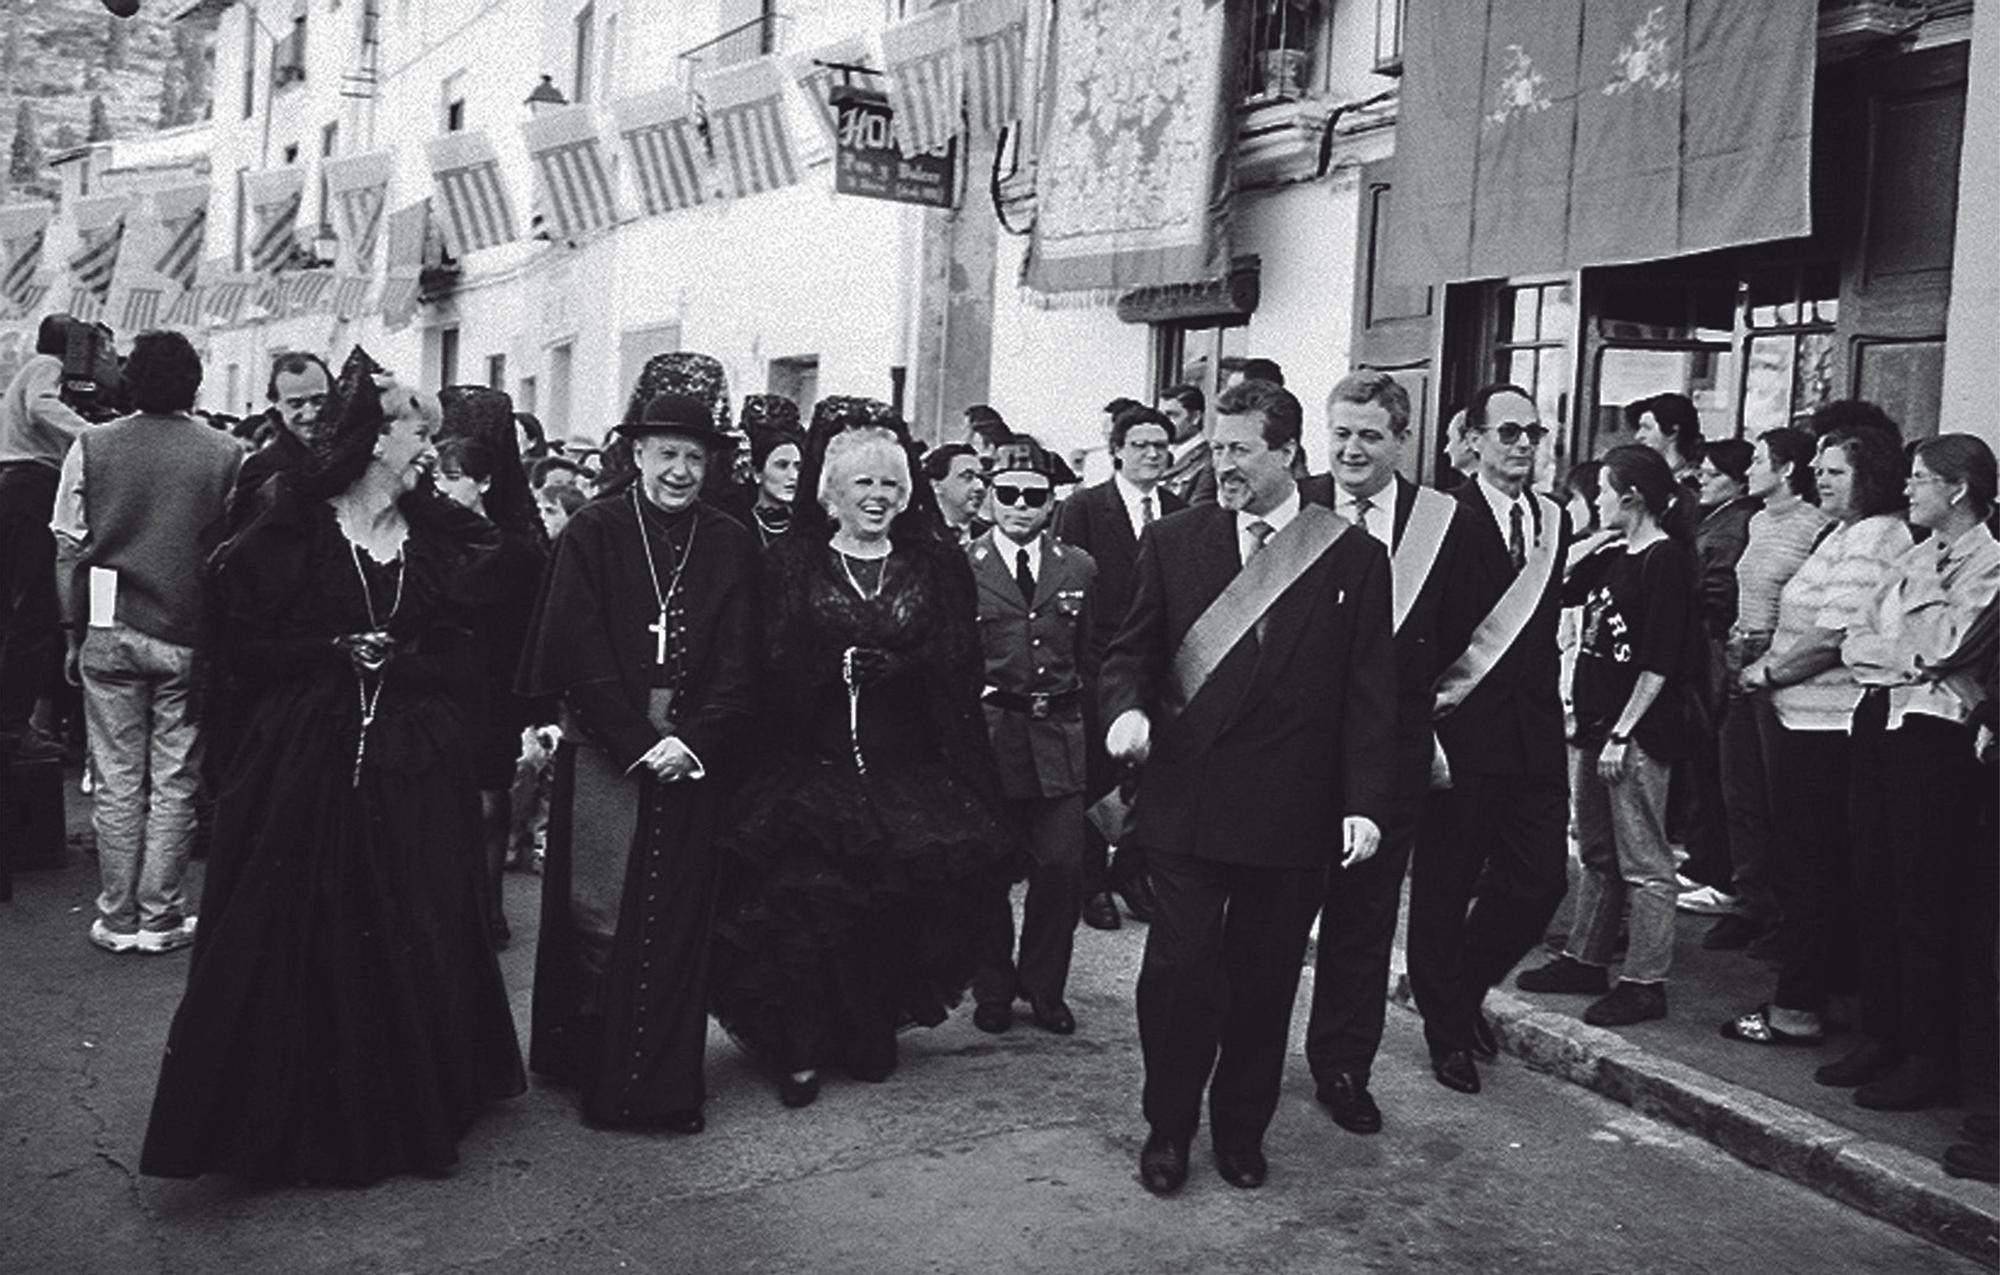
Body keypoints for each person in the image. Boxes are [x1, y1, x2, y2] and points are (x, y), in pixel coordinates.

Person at [140, 350, 523, 1184]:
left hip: (410, 751)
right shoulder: (297, 522)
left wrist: (405, 661)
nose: (430, 449)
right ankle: (296, 1112)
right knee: (301, 915)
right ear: (375, 438)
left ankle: (406, 1099)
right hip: (306, 747)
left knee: (415, 913)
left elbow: (467, 637)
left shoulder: (435, 531)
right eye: (419, 433)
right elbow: (244, 646)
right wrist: (333, 650)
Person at [1101, 378, 1395, 1195]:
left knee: (1264, 983)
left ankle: (1240, 1129)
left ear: (1289, 455)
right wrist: (1123, 711)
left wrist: (1365, 800)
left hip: (1292, 812)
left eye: (1239, 450)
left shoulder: (1353, 556)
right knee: (1180, 970)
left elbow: (1371, 692)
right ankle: (1168, 1126)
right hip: (1189, 801)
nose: (1220, 464)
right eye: (1218, 447)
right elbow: (1132, 652)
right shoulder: (1175, 540)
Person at [710, 403, 1013, 1110]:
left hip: (904, 770)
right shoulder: (793, 561)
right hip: (809, 768)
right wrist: (824, 665)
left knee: (887, 908)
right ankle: (800, 1048)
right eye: (862, 485)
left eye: (889, 484)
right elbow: (768, 659)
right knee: (806, 910)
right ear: (832, 493)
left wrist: (904, 667)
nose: (877, 496)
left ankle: (870, 1027)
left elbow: (958, 661)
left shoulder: (931, 563)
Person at [515, 392, 757, 1132]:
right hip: (608, 744)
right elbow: (576, 649)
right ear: (639, 454)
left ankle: (658, 1089)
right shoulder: (595, 529)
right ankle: (592, 1061)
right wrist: (635, 741)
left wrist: (696, 740)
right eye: (667, 454)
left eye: (694, 456)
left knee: (673, 917)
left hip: (692, 748)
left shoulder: (729, 538)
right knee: (604, 913)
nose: (681, 471)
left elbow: (740, 655)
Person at [1299, 370, 1473, 1135]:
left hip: (1391, 755)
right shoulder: (1295, 505)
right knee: (1272, 916)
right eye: (1340, 431)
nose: (1351, 449)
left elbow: (1472, 632)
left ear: (1401, 440)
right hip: (1291, 752)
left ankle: (1342, 1065)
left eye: (1370, 434)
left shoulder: (1445, 520)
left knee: (1363, 924)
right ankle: (1243, 1057)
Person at [1722, 420, 1911, 1051]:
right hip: (1802, 720)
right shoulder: (1843, 532)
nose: (1819, 479)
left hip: (1827, 726)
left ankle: (1797, 1009)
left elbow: (1834, 636)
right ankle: (1821, 995)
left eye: (1835, 471)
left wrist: (1764, 671)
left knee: (1812, 870)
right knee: (1811, 865)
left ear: (1869, 478)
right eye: (1820, 469)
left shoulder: (1876, 537)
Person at [50, 331, 240, 954]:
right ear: (194, 383)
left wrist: (73, 633)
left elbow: (69, 545)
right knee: (176, 778)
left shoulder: (93, 445)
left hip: (109, 623)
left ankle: (116, 914)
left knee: (117, 778)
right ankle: (160, 915)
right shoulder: (225, 452)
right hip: (187, 631)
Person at [1406, 382, 1572, 1097]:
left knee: (1540, 882)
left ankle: (1461, 988)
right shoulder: (1440, 515)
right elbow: (1415, 630)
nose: (1523, 446)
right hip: (1459, 734)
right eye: (1508, 432)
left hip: (1532, 736)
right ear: (1472, 439)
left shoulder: (1554, 518)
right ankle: (1445, 1030)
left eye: (1532, 432)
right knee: (1443, 887)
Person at [1832, 434, 1999, 1110]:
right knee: (1873, 883)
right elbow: (1855, 637)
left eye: (1921, 479)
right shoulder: (1914, 552)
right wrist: (1900, 654)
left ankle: (1931, 1053)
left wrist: (1909, 645)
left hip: (1936, 736)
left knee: (1924, 897)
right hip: (1883, 715)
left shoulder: (1988, 562)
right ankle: (1884, 1031)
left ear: (1958, 489)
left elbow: (1944, 647)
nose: (1906, 489)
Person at [1515, 446, 1699, 1025]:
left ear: (1632, 496)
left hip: (1635, 731)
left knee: (1644, 859)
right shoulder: (1617, 554)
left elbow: (1661, 657)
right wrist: (1597, 540)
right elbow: (1552, 582)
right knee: (1597, 851)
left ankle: (1646, 980)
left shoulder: (1665, 561)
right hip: (1595, 724)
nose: (1593, 501)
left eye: (1602, 491)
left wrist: (1625, 731)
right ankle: (1585, 957)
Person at [968, 438, 1096, 1036]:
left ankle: (1045, 988)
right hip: (991, 739)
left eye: (1033, 497)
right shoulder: (963, 567)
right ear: (990, 498)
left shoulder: (1079, 567)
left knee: (1061, 869)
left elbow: (1094, 658)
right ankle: (992, 988)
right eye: (1008, 494)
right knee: (988, 872)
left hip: (1058, 740)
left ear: (1051, 503)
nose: (1020, 506)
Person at [1054, 405, 1185, 931]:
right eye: (1140, 445)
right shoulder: (1086, 507)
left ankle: (1133, 872)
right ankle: (1092, 883)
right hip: (1099, 663)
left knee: (1151, 777)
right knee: (1095, 775)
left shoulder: (1178, 509)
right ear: (1117, 451)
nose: (1152, 454)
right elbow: (1068, 590)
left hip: (1162, 665)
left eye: (1160, 445)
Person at [436, 385, 551, 950]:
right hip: (438, 684)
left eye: (454, 475)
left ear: (483, 480)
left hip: (489, 687)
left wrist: (528, 706)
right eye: (438, 475)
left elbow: (531, 628)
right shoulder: (424, 541)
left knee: (487, 800)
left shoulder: (517, 549)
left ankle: (486, 912)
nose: (443, 486)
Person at [1705, 428, 1827, 952]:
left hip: (1780, 663)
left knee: (1781, 797)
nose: (1750, 469)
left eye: (1759, 461)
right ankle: (1749, 900)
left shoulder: (1815, 526)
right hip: (1739, 655)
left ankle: (1784, 915)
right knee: (1740, 791)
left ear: (1786, 471)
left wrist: (1774, 659)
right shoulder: (1756, 520)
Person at [1673, 438, 1762, 918]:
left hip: (1712, 650)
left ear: (1740, 478)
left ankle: (1717, 868)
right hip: (1708, 649)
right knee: (1707, 765)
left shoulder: (1732, 525)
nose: (1700, 480)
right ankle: (1708, 861)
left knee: (1712, 764)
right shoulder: (1721, 519)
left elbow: (1718, 589)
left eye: (1712, 473)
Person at [0, 315, 94, 763]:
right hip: (33, 483)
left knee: (13, 609)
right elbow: (42, 405)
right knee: (34, 610)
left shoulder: (28, 368)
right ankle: (14, 725)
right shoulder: (46, 367)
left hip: (14, 485)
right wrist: (96, 437)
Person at [229, 351, 332, 532]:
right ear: (276, 403)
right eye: (296, 404)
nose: (309, 414)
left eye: (318, 401)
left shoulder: (356, 458)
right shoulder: (261, 469)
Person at [1627, 392, 1702, 542]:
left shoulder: (1693, 483)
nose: (1639, 436)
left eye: (1647, 428)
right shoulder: (1645, 475)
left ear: (1673, 431)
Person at [734, 394, 804, 548]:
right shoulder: (737, 527)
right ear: (757, 473)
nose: (794, 476)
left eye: (798, 467)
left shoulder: (810, 527)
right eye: (782, 465)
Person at [1157, 384, 1214, 507]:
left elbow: (1197, 515)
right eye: (1160, 416)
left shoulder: (1208, 462)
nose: (1162, 423)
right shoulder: (1154, 455)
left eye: (1171, 415)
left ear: (1195, 417)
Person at [924, 441, 988, 545]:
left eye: (982, 478)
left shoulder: (989, 535)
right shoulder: (919, 534)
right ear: (936, 485)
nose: (980, 487)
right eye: (967, 477)